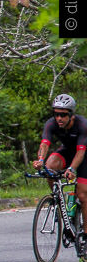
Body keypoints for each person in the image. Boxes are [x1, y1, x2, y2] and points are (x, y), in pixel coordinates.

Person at [32, 93, 87, 228]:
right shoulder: (51, 123)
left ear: (71, 115)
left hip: (84, 156)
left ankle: (86, 233)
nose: (59, 118)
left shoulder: (82, 125)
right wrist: (40, 160)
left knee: (82, 195)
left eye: (63, 115)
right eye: (56, 114)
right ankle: (58, 200)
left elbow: (80, 152)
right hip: (67, 151)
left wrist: (72, 169)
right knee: (49, 166)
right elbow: (44, 144)